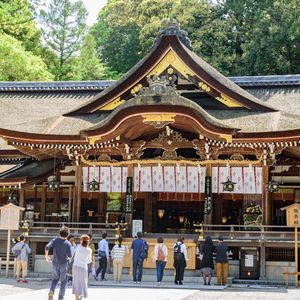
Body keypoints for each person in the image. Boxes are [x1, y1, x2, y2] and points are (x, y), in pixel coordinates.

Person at [45, 226, 72, 300]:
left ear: (59, 233)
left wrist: (46, 256)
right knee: (63, 282)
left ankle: (51, 291)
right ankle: (60, 297)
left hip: (55, 263)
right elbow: (70, 256)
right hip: (64, 264)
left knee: (54, 279)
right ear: (67, 235)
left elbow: (47, 247)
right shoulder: (68, 243)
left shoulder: (55, 240)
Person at [72, 235, 92, 300]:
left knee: (76, 282)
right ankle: (81, 295)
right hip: (83, 267)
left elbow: (73, 254)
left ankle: (77, 298)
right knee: (83, 282)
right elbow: (89, 261)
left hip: (76, 266)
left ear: (81, 240)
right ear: (88, 241)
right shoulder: (89, 250)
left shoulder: (78, 247)